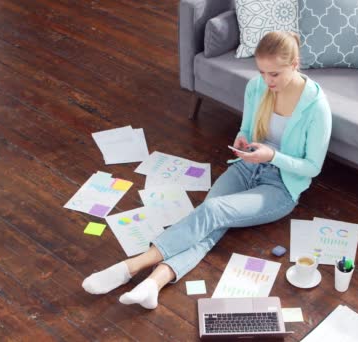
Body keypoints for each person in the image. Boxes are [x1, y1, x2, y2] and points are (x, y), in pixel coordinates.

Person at [82, 31, 332, 309]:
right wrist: (242, 138)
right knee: (209, 220)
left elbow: (312, 167)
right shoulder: (257, 87)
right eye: (262, 72)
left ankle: (131, 266)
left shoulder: (316, 107)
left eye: (274, 74)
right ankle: (154, 283)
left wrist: (272, 155)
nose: (267, 81)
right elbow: (248, 129)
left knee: (212, 211)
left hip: (280, 186)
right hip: (247, 167)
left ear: (295, 64)